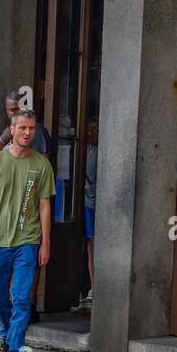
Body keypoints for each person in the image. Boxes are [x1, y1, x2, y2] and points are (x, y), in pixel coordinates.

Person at [0, 108, 54, 352]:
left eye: (31, 128)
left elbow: (45, 205)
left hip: (28, 240)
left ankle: (15, 348)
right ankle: (5, 332)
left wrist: (45, 242)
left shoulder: (41, 164)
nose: (27, 133)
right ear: (12, 130)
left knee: (21, 297)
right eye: (22, 128)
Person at [0, 89, 53, 163]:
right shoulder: (5, 132)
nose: (17, 113)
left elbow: (42, 165)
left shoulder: (35, 130)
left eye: (20, 109)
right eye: (13, 110)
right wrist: (2, 140)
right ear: (6, 110)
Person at [79, 116, 99, 309]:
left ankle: (85, 286)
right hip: (92, 203)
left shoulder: (80, 151)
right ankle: (93, 286)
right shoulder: (97, 153)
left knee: (87, 246)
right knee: (92, 246)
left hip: (83, 203)